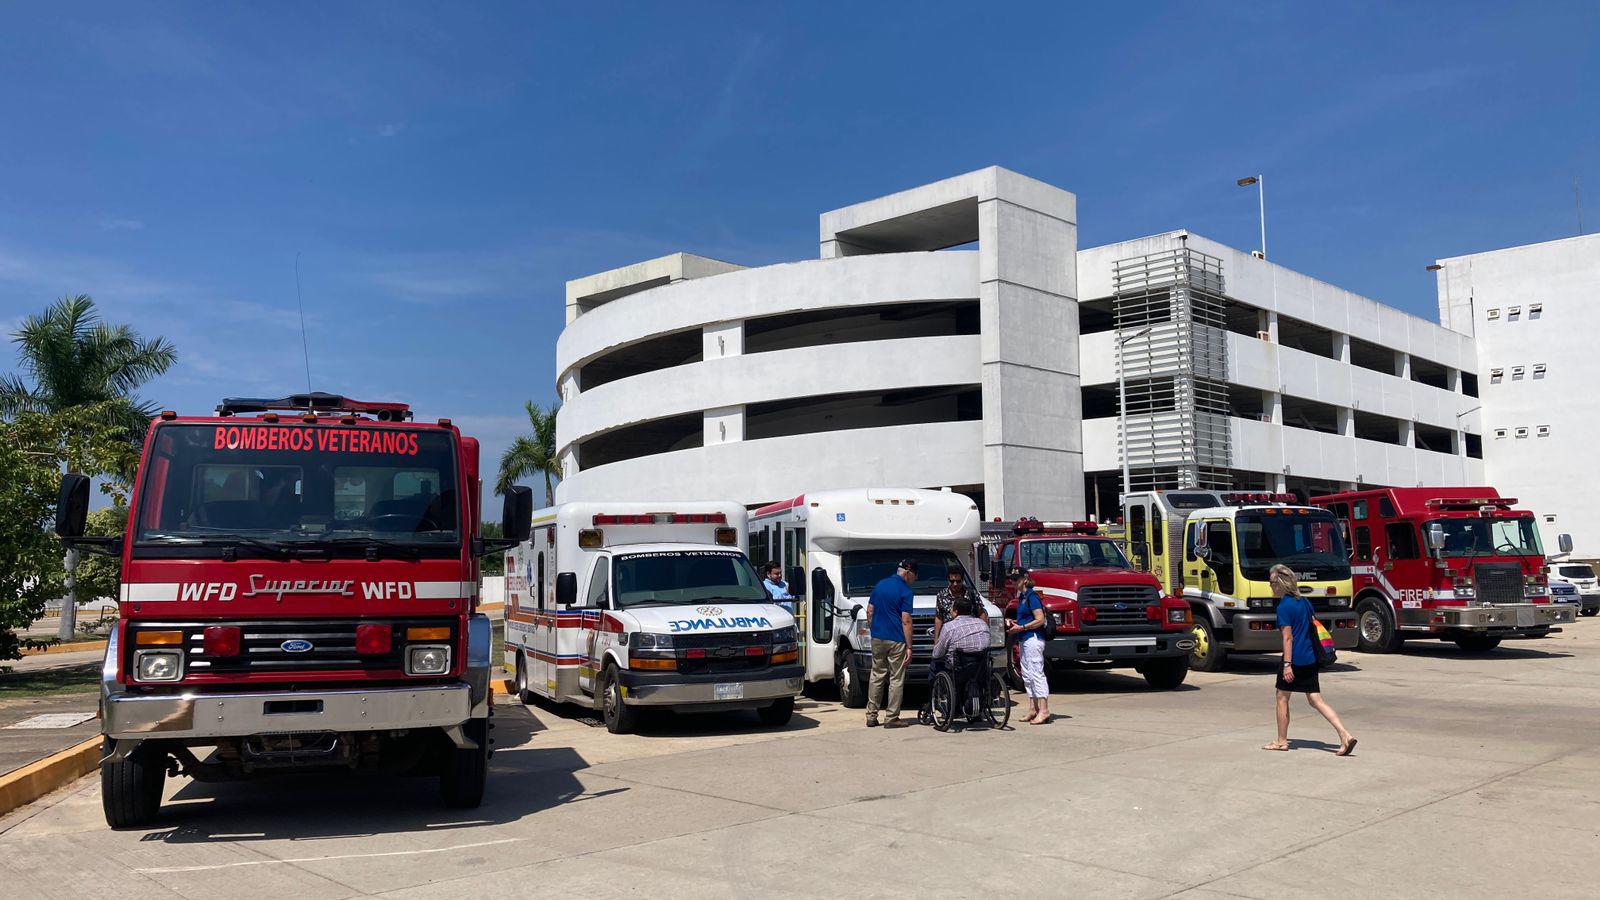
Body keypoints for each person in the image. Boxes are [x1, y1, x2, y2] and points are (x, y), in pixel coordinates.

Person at [1263, 563, 1357, 755]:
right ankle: (1344, 734)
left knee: (1282, 697)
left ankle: (1282, 741)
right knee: (1315, 699)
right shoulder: (1305, 602)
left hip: (1294, 659)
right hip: (1310, 658)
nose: (1270, 586)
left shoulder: (1284, 607)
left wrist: (1287, 665)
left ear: (1281, 584)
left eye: (1272, 582)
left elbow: (1288, 638)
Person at [864, 559, 917, 729]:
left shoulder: (880, 585)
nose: (914, 580)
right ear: (908, 573)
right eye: (914, 576)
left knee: (877, 675)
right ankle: (891, 717)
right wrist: (909, 646)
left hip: (878, 637)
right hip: (896, 639)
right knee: (896, 678)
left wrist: (874, 629)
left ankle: (871, 715)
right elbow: (906, 620)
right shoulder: (905, 591)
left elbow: (869, 610)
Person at [1006, 570, 1051, 724]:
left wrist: (1022, 627)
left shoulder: (1032, 596)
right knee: (1027, 673)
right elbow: (1027, 618)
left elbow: (1040, 619)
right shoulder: (1022, 597)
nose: (1013, 581)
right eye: (1011, 579)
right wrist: (1014, 622)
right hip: (1024, 638)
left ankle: (1044, 710)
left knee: (1036, 672)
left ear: (1025, 579)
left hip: (1033, 638)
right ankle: (1033, 708)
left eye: (1015, 578)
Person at [932, 567, 985, 641]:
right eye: (952, 581)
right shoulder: (941, 595)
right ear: (948, 580)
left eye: (958, 581)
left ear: (963, 580)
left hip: (969, 636)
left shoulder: (971, 594)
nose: (955, 584)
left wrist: (984, 633)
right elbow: (939, 618)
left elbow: (981, 613)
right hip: (949, 637)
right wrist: (936, 639)